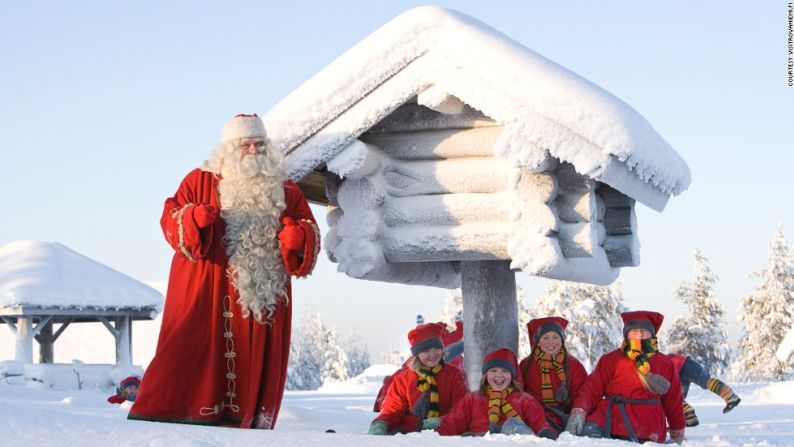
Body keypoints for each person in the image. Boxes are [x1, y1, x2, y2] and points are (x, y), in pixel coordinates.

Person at [129, 114, 320, 429]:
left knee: (250, 360)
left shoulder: (285, 188)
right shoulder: (199, 180)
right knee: (190, 349)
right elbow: (169, 217)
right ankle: (168, 416)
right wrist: (192, 219)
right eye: (246, 145)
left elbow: (310, 230)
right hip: (208, 290)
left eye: (260, 144)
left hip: (263, 294)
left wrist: (299, 237)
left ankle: (245, 420)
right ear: (229, 148)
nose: (254, 152)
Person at [565, 311, 686, 444]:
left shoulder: (665, 363)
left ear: (652, 334)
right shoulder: (610, 359)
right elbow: (592, 388)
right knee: (586, 439)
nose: (640, 334)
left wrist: (677, 431)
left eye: (644, 331)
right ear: (626, 334)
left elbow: (673, 400)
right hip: (609, 418)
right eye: (635, 331)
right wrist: (579, 412)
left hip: (647, 424)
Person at [368, 322, 468, 435]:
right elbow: (393, 410)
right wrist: (381, 423)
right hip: (410, 436)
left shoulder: (454, 376)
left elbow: (461, 409)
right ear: (417, 354)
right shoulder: (403, 379)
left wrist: (441, 421)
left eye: (437, 348)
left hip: (445, 434)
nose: (433, 354)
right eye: (426, 351)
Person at [436, 348, 556, 438]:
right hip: (479, 441)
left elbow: (539, 422)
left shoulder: (523, 399)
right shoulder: (474, 399)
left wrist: (545, 432)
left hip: (512, 442)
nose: (499, 375)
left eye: (504, 371)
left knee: (512, 424)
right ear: (486, 375)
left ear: (512, 375)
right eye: (493, 370)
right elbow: (454, 421)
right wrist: (437, 436)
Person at [519, 316, 588, 434]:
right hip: (533, 417)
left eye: (555, 337)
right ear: (537, 341)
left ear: (562, 340)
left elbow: (582, 393)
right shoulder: (526, 365)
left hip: (564, 417)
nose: (551, 342)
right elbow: (519, 392)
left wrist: (577, 414)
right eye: (545, 338)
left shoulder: (573, 364)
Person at [667, 352, 740, 426]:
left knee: (672, 397)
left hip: (684, 365)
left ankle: (730, 396)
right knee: (676, 397)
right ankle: (690, 417)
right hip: (681, 367)